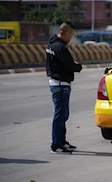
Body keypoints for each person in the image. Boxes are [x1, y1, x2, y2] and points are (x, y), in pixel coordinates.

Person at [46, 21, 83, 154]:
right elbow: (69, 65)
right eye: (71, 34)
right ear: (65, 33)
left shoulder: (52, 45)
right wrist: (78, 66)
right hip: (61, 85)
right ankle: (56, 144)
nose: (71, 37)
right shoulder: (60, 47)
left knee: (63, 115)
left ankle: (62, 142)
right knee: (60, 115)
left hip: (57, 84)